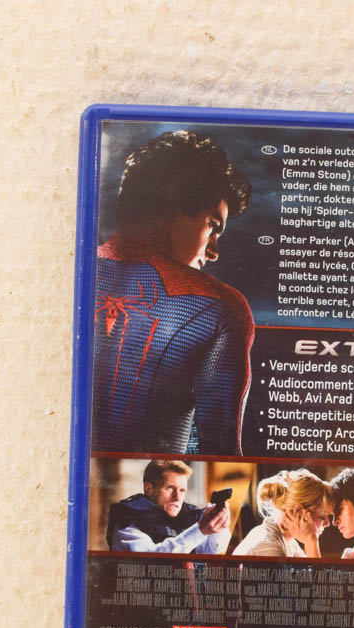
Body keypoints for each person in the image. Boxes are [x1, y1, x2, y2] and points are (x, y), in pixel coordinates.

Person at [91, 130, 254, 455]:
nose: (213, 252)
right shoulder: (218, 309)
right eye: (213, 226)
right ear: (175, 201)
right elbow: (220, 453)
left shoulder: (70, 272)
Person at [107, 459, 230, 554]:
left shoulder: (185, 516)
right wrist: (200, 530)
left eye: (182, 490)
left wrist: (218, 523)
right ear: (148, 489)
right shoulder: (128, 521)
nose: (177, 497)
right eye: (170, 488)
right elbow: (153, 558)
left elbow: (211, 550)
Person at [232, 470, 331, 558]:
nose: (327, 524)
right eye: (322, 517)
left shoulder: (288, 541)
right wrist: (311, 543)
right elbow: (317, 573)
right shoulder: (269, 547)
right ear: (298, 511)